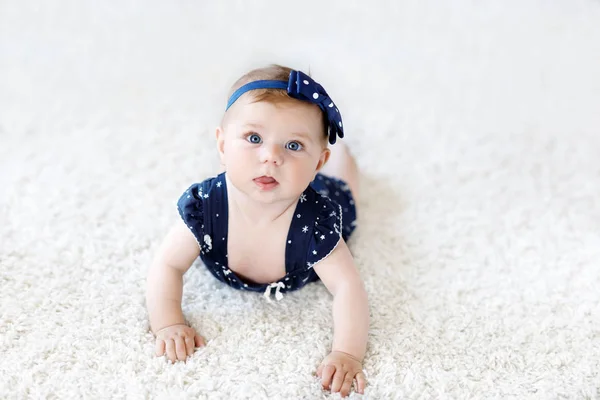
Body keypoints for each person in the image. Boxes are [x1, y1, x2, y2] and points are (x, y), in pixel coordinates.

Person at [146, 64, 369, 397]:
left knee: (346, 186)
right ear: (222, 146)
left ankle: (341, 158)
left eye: (293, 145)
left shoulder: (317, 222)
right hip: (267, 186)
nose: (270, 157)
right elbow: (168, 265)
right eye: (254, 138)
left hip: (319, 190)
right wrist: (169, 323)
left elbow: (348, 287)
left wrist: (347, 353)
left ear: (316, 161)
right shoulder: (206, 206)